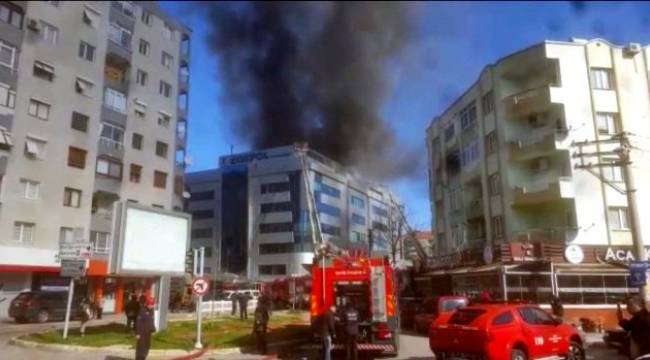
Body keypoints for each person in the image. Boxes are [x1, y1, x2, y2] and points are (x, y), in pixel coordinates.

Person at [618, 295, 650, 360]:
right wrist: (620, 317)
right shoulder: (637, 318)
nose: (627, 308)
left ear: (636, 305)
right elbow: (628, 326)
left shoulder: (645, 319)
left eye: (628, 305)